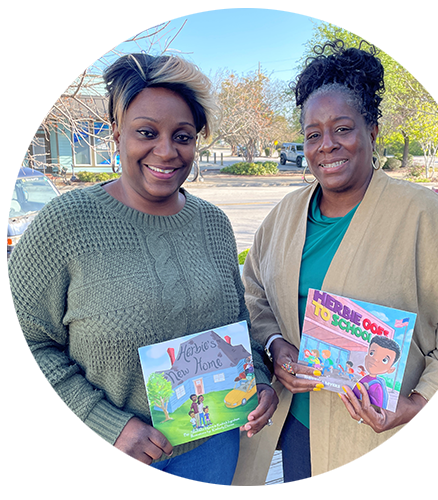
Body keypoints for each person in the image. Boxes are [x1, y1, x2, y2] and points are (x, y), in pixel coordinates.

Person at [7, 52, 278, 487]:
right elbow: (24, 348)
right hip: (100, 462)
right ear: (116, 133)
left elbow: (237, 324)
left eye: (183, 136)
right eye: (147, 133)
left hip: (209, 450)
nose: (166, 151)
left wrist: (259, 380)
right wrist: (105, 428)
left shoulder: (213, 224)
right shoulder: (63, 225)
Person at [233, 40, 438, 486]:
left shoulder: (423, 216)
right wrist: (275, 345)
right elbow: (254, 292)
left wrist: (422, 401)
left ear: (372, 130)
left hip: (377, 439)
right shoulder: (285, 216)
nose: (326, 146)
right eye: (313, 134)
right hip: (298, 430)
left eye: (342, 129)